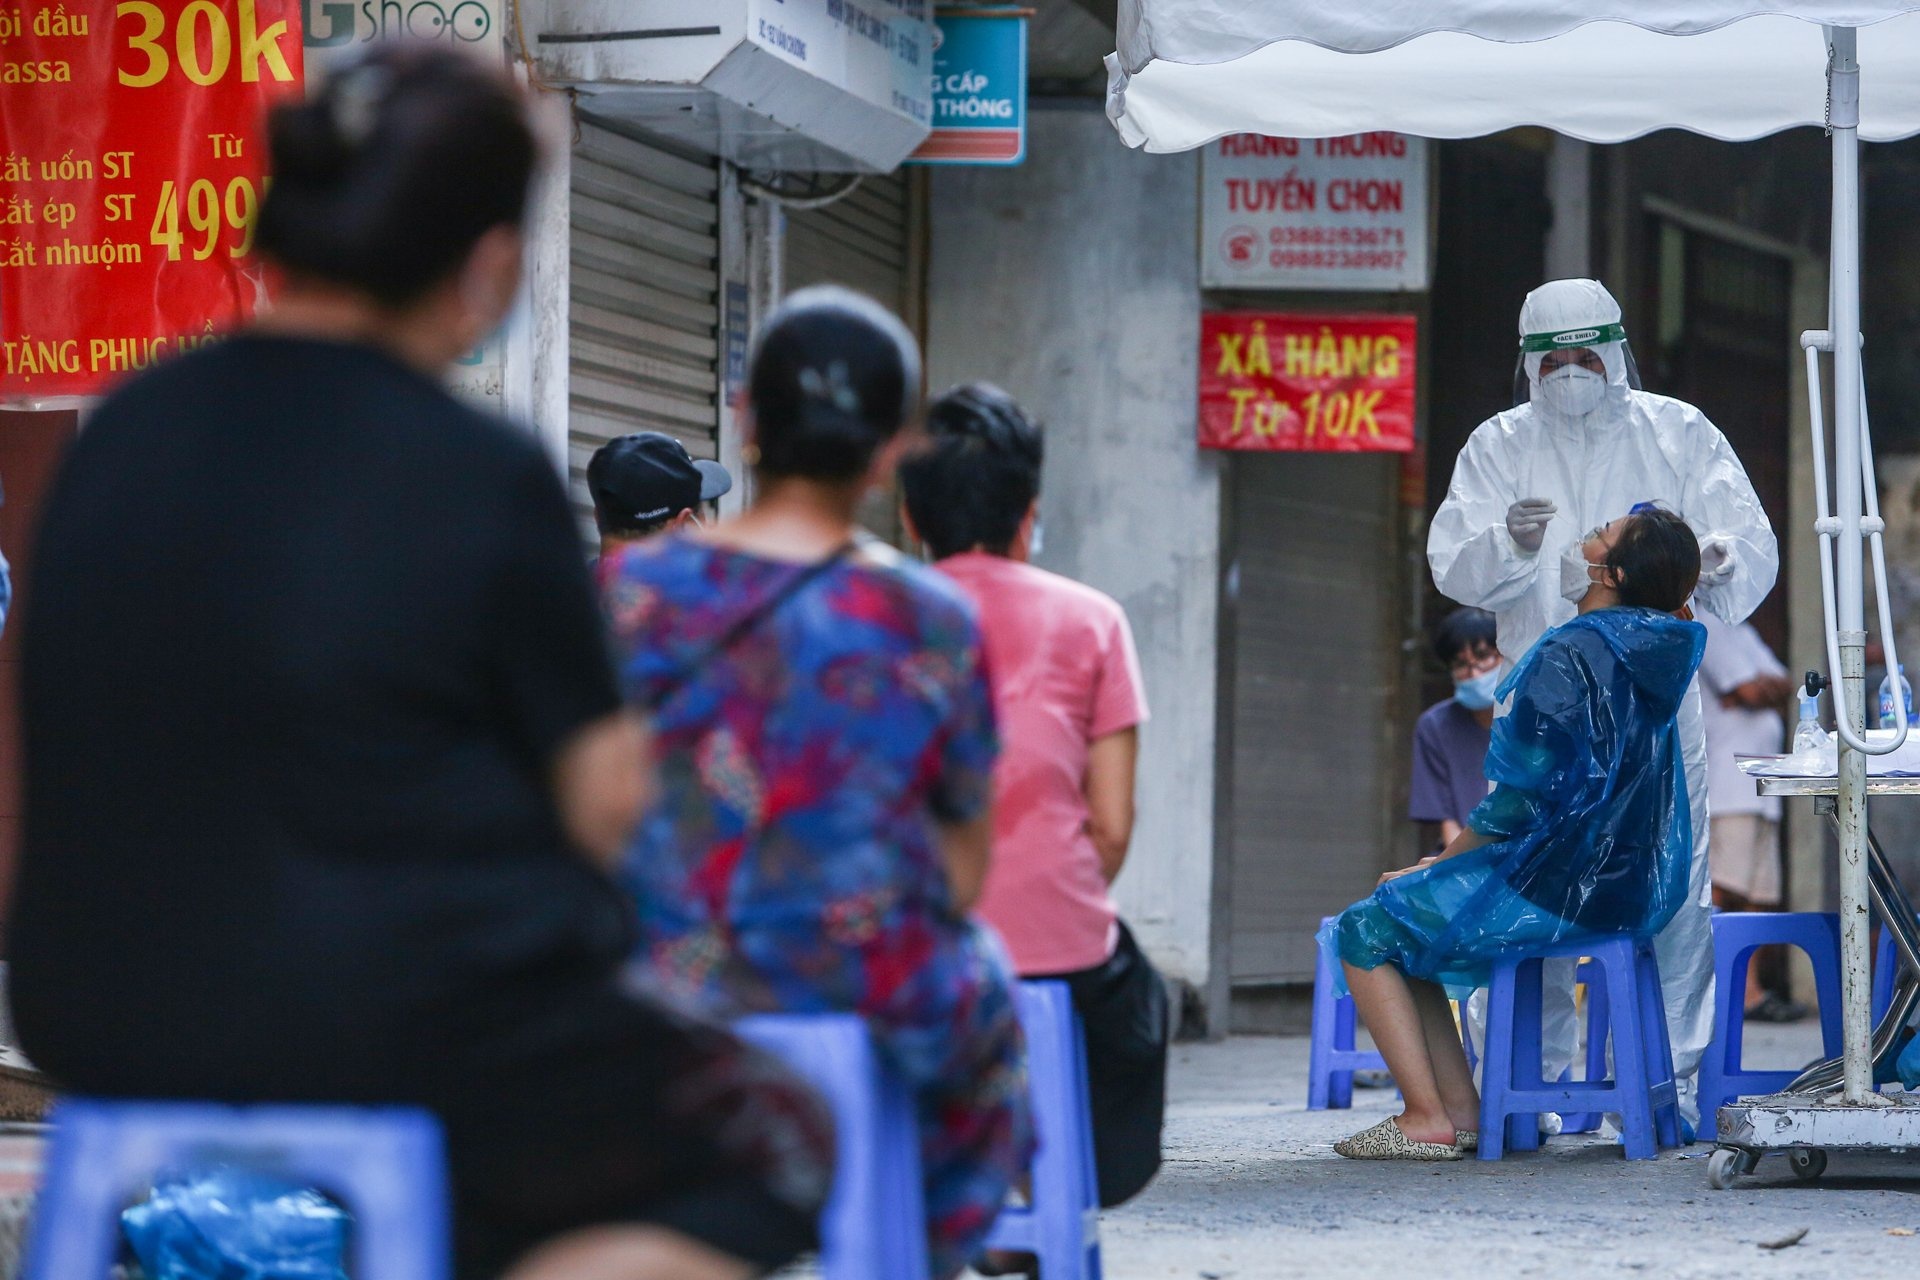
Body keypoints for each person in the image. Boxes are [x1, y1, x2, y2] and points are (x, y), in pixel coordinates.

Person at [9, 48, 830, 1280]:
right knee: (776, 1140)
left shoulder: (125, 430)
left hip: (96, 1011)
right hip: (393, 1018)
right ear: (488, 264)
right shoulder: (473, 471)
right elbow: (606, 798)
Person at [600, 288, 1031, 1280]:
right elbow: (962, 874)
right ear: (892, 451)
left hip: (659, 978)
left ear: (747, 423)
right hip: (865, 973)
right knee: (984, 986)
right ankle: (917, 1245)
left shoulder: (626, 594)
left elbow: (584, 816)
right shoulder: (932, 615)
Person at [1428, 278, 1778, 1127]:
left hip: (1654, 712)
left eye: (1590, 355)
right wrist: (1505, 544)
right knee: (1526, 885)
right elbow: (1451, 568)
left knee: (1674, 890)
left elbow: (1750, 544)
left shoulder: (1678, 432)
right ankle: (1527, 1087)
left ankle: (1664, 1084)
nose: (1573, 373)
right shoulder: (1497, 445)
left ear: (1618, 353)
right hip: (1541, 717)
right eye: (1555, 360)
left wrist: (1721, 556)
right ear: (1529, 364)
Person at [1327, 508, 1705, 1159]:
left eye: (1604, 530)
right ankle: (1462, 1114)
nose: (1590, 528)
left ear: (1607, 571)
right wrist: (1444, 871)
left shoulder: (1571, 652)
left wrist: (1437, 867)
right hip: (1628, 887)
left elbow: (1514, 806)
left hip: (1560, 883)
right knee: (1410, 922)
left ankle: (1424, 1115)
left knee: (1366, 927)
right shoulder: (1657, 648)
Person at [899, 383, 1167, 1213]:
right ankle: (1043, 1192)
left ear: (911, 518)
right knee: (1135, 1008)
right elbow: (1113, 828)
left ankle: (953, 1191)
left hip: (895, 946)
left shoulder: (867, 613)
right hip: (1060, 948)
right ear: (1029, 514)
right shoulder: (1092, 620)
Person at [1696, 610, 1802, 1019]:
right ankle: (1717, 993)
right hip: (1729, 783)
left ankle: (1749, 993)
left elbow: (1787, 686)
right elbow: (1752, 690)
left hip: (1762, 786)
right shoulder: (1704, 622)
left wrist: (1758, 690)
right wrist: (1754, 691)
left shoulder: (1742, 630)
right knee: (1724, 889)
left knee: (1757, 895)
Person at [1412, 607, 1501, 851]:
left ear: (1505, 654)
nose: (1473, 673)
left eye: (1483, 656)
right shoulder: (1435, 726)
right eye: (1461, 664)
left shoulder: (1531, 719)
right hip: (1460, 857)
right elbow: (1447, 822)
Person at [588, 431, 733, 554]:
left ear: (598, 517)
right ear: (682, 525)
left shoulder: (571, 585)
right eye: (699, 511)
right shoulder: (720, 584)